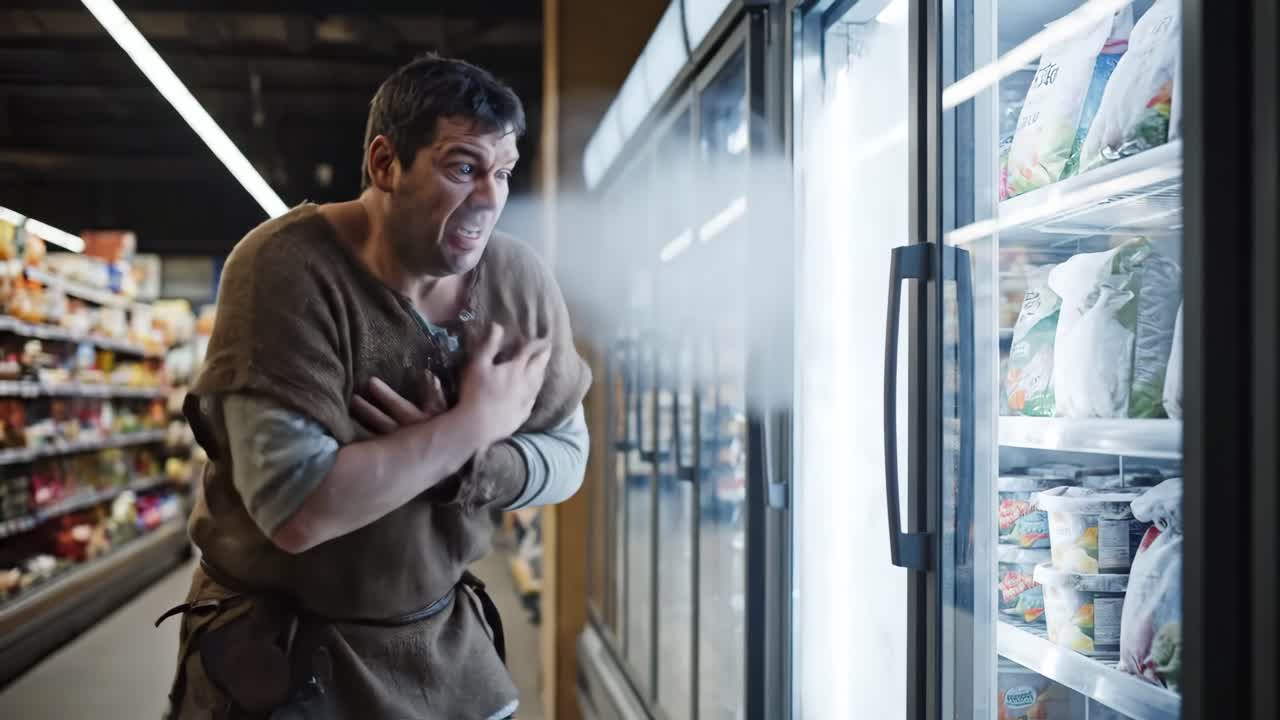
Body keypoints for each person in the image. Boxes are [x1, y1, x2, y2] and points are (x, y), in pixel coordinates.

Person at [161, 55, 592, 719]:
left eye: (502, 172)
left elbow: (569, 457)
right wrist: (470, 424)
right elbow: (298, 512)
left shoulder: (518, 283)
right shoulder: (285, 267)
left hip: (440, 645)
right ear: (386, 163)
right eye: (462, 167)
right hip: (281, 657)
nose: (489, 198)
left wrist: (466, 466)